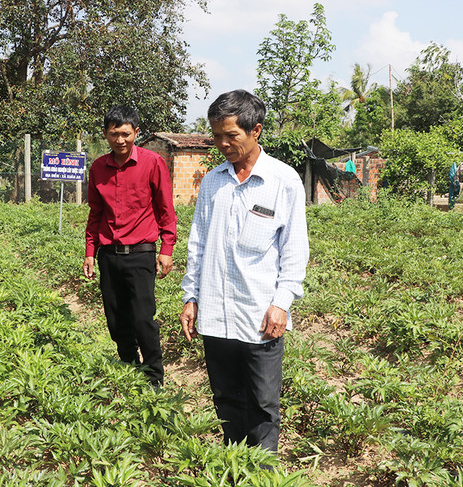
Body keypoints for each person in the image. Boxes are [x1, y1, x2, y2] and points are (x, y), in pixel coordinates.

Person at [180, 90, 309, 454]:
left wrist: (282, 303)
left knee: (263, 404)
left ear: (256, 131)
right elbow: (198, 245)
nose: (222, 144)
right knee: (226, 400)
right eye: (216, 136)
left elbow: (295, 251)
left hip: (259, 315)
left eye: (230, 135)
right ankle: (235, 468)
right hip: (217, 315)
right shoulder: (212, 182)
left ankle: (262, 479)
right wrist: (191, 296)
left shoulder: (283, 181)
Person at [83, 105, 177, 388]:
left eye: (126, 134)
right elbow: (95, 213)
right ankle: (128, 369)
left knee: (142, 319)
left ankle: (153, 379)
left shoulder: (152, 163)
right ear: (105, 134)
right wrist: (90, 253)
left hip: (141, 253)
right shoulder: (98, 167)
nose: (120, 140)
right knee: (115, 318)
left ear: (136, 133)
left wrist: (167, 249)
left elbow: (166, 210)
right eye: (114, 134)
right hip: (108, 255)